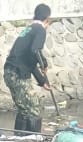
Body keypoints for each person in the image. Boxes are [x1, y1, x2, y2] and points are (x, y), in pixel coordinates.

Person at [4, 4, 52, 134]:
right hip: (18, 73)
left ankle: (20, 140)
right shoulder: (40, 29)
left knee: (24, 109)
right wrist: (44, 64)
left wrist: (42, 81)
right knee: (34, 109)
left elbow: (30, 58)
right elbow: (36, 50)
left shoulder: (29, 29)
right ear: (47, 19)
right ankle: (34, 141)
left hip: (10, 72)